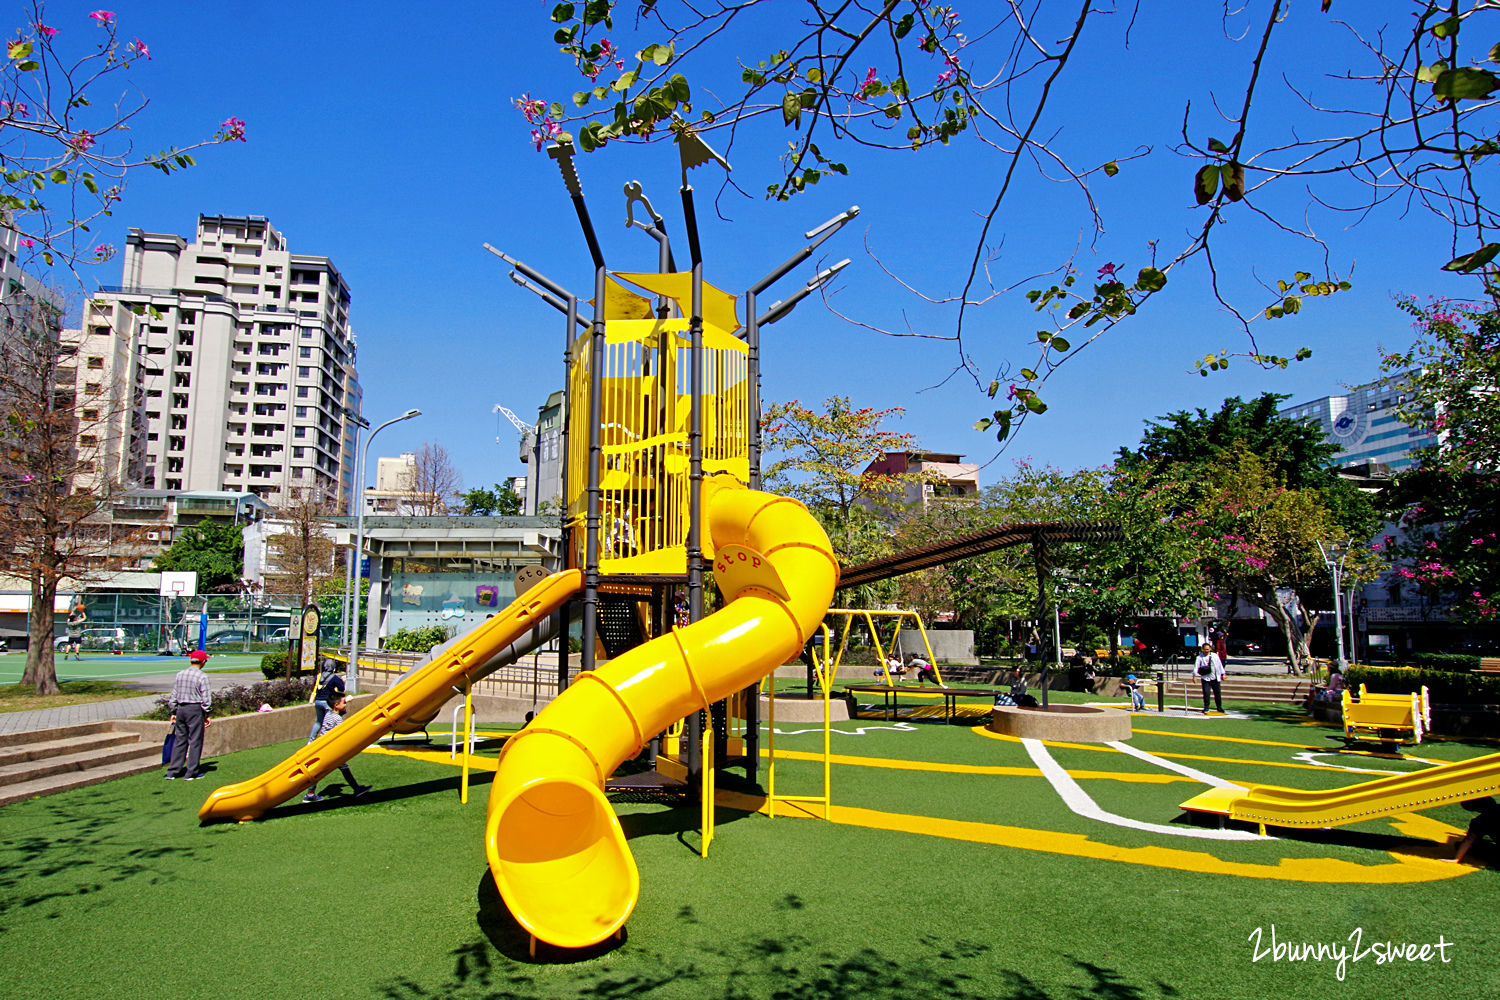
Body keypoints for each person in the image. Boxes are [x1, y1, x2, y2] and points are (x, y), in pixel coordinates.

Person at [303, 692, 371, 802]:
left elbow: (340, 712)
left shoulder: (329, 714)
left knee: (329, 770)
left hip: (323, 746)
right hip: (329, 749)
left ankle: (310, 793)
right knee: (334, 769)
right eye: (343, 703)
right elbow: (342, 734)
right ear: (336, 705)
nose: (345, 704)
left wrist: (345, 701)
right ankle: (357, 789)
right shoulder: (337, 719)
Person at [165, 649, 212, 780]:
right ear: (203, 662)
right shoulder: (202, 676)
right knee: (195, 740)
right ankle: (191, 772)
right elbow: (206, 698)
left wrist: (173, 710)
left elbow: (174, 694)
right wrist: (206, 713)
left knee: (180, 739)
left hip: (181, 709)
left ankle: (173, 771)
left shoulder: (180, 674)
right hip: (194, 709)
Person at [308, 661, 346, 742]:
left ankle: (310, 741)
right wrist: (341, 681)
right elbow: (342, 689)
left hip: (317, 701)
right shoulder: (334, 677)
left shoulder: (318, 676)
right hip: (327, 702)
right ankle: (327, 740)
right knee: (330, 722)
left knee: (319, 722)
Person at [1193, 643, 1225, 714]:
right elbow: (1196, 667)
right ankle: (1206, 707)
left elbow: (1219, 665)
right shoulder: (1199, 657)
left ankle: (1219, 707)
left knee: (1217, 694)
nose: (1206, 651)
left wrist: (1223, 674)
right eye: (1205, 649)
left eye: (1208, 649)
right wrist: (1194, 676)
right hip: (1206, 678)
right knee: (1206, 693)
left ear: (1210, 649)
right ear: (1202, 649)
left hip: (1215, 678)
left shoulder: (1214, 656)